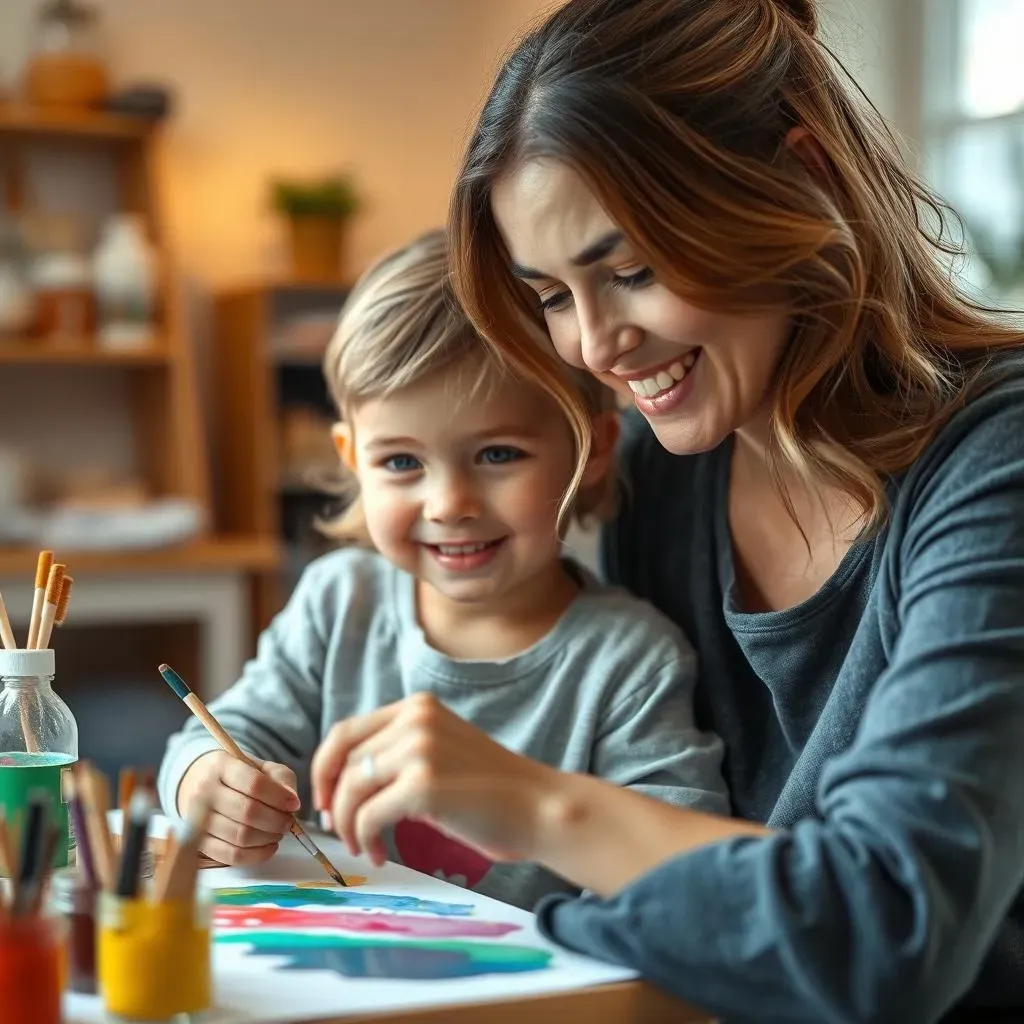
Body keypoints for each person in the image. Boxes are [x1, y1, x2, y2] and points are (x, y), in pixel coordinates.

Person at [308, 1, 1024, 1020]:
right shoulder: (660, 472)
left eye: (630, 272)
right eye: (553, 294)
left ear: (801, 177)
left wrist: (528, 803)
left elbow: (884, 930)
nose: (596, 347)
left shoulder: (994, 465)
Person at [156, 228, 728, 911]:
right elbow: (221, 735)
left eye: (497, 455)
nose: (449, 504)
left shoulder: (632, 660)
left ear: (594, 448)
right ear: (352, 460)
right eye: (401, 462)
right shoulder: (339, 603)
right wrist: (208, 784)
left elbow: (689, 870)